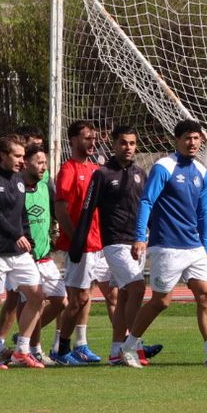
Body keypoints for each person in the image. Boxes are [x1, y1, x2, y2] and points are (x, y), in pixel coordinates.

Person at [125, 120, 207, 366]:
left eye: (196, 138)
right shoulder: (164, 167)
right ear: (177, 140)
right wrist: (141, 237)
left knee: (205, 295)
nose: (192, 143)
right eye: (187, 138)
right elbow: (146, 202)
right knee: (161, 301)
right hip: (167, 245)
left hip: (194, 247)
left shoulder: (202, 172)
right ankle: (129, 346)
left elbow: (203, 213)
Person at [69, 126, 152, 367]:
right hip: (114, 243)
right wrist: (78, 243)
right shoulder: (102, 174)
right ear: (114, 145)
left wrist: (147, 237)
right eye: (123, 143)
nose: (128, 148)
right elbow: (87, 210)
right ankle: (133, 346)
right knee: (137, 289)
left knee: (125, 295)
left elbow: (147, 208)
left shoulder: (140, 173)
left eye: (132, 143)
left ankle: (116, 350)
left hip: (138, 243)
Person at [0, 135, 45, 368]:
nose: (22, 161)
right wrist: (17, 235)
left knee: (36, 296)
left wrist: (29, 241)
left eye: (23, 156)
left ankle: (21, 351)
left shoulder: (19, 180)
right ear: (2, 155)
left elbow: (21, 214)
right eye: (17, 156)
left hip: (19, 253)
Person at [53, 120, 117, 365]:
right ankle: (61, 349)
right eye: (87, 138)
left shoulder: (94, 169)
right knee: (77, 299)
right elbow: (61, 209)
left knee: (113, 296)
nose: (92, 142)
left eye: (94, 138)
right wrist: (75, 241)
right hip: (82, 247)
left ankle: (123, 347)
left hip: (100, 246)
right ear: (73, 140)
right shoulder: (68, 170)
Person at [21, 143, 66, 364]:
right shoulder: (15, 186)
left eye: (45, 163)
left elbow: (55, 208)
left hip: (45, 255)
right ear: (25, 163)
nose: (43, 166)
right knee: (34, 302)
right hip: (24, 258)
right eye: (39, 162)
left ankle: (23, 337)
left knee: (61, 301)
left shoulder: (46, 183)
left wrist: (58, 231)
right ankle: (33, 348)